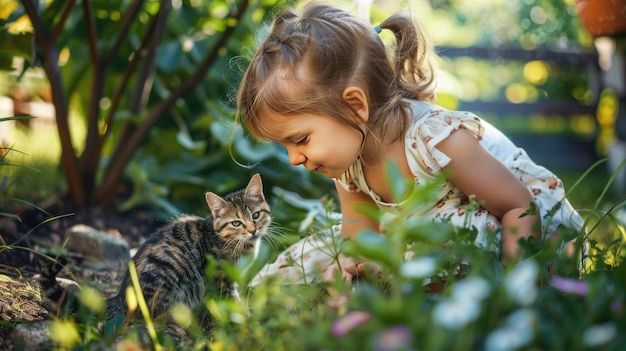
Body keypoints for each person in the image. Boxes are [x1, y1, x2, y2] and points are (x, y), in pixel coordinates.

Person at [236, 2, 586, 287]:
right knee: (312, 257)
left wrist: (517, 287)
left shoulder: (436, 140)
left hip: (519, 226)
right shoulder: (348, 160)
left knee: (443, 244)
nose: (294, 158)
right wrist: (347, 262)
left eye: (299, 140)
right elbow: (359, 233)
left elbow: (518, 207)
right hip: (420, 227)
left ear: (355, 106)